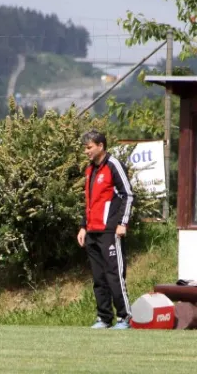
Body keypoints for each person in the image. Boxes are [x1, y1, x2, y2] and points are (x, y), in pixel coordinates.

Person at [77, 130, 134, 330]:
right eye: (85, 148)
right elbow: (89, 201)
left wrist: (122, 223)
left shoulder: (113, 165)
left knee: (114, 275)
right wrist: (83, 226)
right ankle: (104, 318)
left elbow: (128, 195)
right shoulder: (89, 170)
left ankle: (125, 317)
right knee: (99, 277)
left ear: (101, 146)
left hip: (110, 231)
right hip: (92, 231)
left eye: (89, 147)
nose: (87, 151)